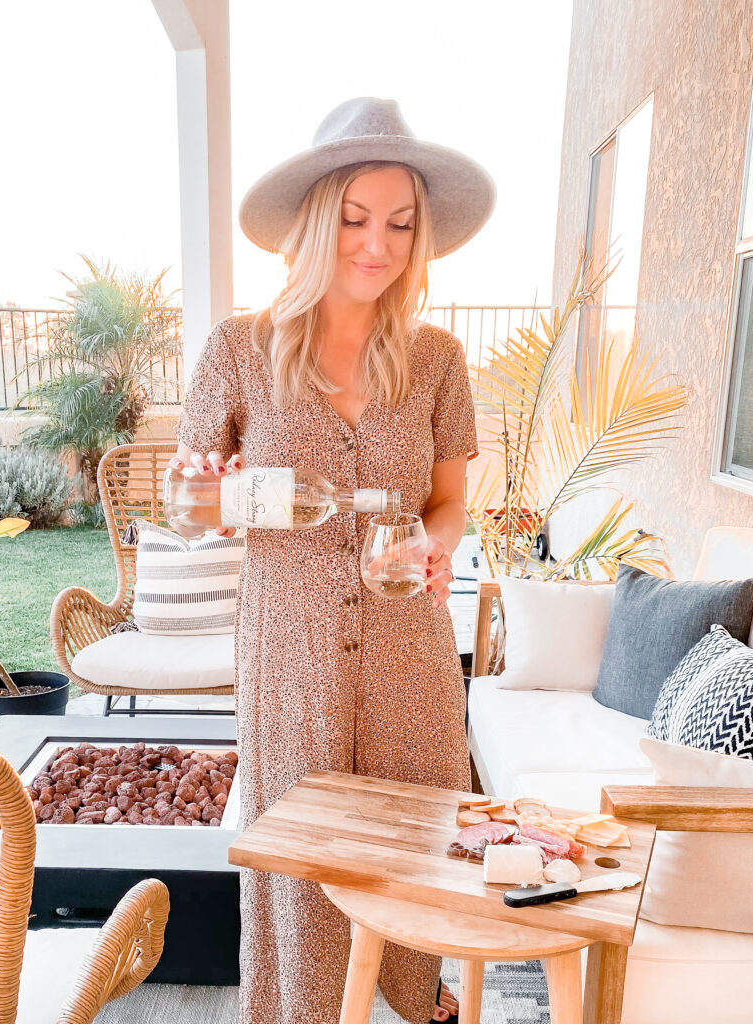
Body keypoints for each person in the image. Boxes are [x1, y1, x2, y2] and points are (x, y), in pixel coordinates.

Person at [173, 97, 494, 1024]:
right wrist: (206, 487)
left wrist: (432, 548)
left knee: (414, 841)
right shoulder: (238, 348)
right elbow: (190, 502)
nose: (377, 243)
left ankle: (410, 1002)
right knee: (303, 857)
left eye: (400, 224)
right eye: (356, 218)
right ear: (316, 222)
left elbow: (447, 502)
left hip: (409, 651)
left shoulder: (437, 358)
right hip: (291, 648)